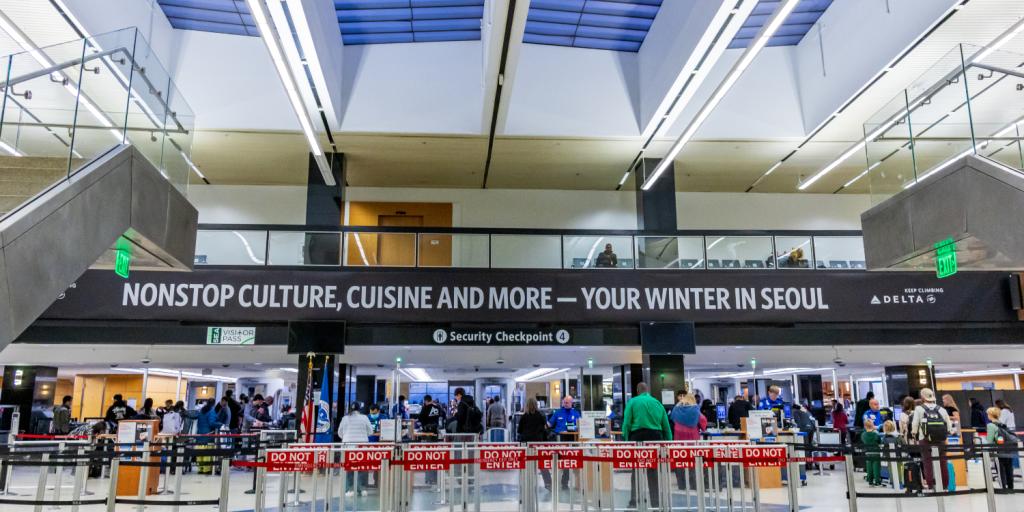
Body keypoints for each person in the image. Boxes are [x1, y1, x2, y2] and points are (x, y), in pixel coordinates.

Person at [622, 383, 671, 508]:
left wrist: (627, 440)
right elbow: (666, 425)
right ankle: (655, 503)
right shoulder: (657, 403)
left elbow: (627, 423)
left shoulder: (633, 402)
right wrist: (668, 442)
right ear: (647, 390)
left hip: (637, 437)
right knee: (653, 470)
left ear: (637, 390)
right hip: (655, 437)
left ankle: (634, 501)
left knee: (636, 469)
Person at [911, 388, 952, 491]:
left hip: (924, 439)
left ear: (922, 397)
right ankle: (945, 486)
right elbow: (949, 426)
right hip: (941, 440)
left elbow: (915, 424)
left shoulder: (919, 409)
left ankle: (930, 485)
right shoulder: (941, 409)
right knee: (943, 462)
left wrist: (914, 434)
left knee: (927, 462)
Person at [670, 392, 705, 490]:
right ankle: (693, 484)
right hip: (692, 439)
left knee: (679, 461)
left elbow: (672, 419)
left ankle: (682, 485)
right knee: (692, 462)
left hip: (678, 439)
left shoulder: (676, 409)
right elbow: (703, 422)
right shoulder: (695, 409)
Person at [338, 403, 373, 496]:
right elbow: (370, 431)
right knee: (362, 467)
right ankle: (362, 489)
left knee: (349, 467)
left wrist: (346, 437)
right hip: (362, 446)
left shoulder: (345, 418)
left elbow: (339, 433)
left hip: (348, 446)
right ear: (359, 409)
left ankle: (350, 489)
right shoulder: (364, 418)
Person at [517, 398, 551, 489]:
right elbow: (545, 428)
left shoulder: (524, 417)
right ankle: (548, 483)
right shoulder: (541, 416)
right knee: (542, 463)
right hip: (538, 443)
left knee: (526, 464)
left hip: (526, 444)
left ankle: (526, 483)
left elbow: (519, 430)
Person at [986, 406, 1017, 490]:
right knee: (1009, 469)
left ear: (990, 415)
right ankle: (1011, 487)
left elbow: (989, 440)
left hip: (999, 450)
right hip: (1008, 449)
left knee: (1000, 470)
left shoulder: (991, 425)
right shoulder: (1002, 424)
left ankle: (1003, 488)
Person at [196, 399, 223, 475]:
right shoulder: (211, 411)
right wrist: (221, 424)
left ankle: (200, 469)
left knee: (200, 452)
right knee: (207, 452)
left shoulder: (202, 410)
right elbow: (212, 423)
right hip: (208, 434)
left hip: (200, 434)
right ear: (213, 404)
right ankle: (206, 469)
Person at [861, 421, 882, 487]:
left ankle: (870, 481)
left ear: (865, 426)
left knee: (869, 468)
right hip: (876, 453)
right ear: (873, 426)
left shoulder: (863, 434)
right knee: (876, 468)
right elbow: (880, 442)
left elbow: (863, 441)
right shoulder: (876, 434)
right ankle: (877, 481)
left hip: (868, 453)